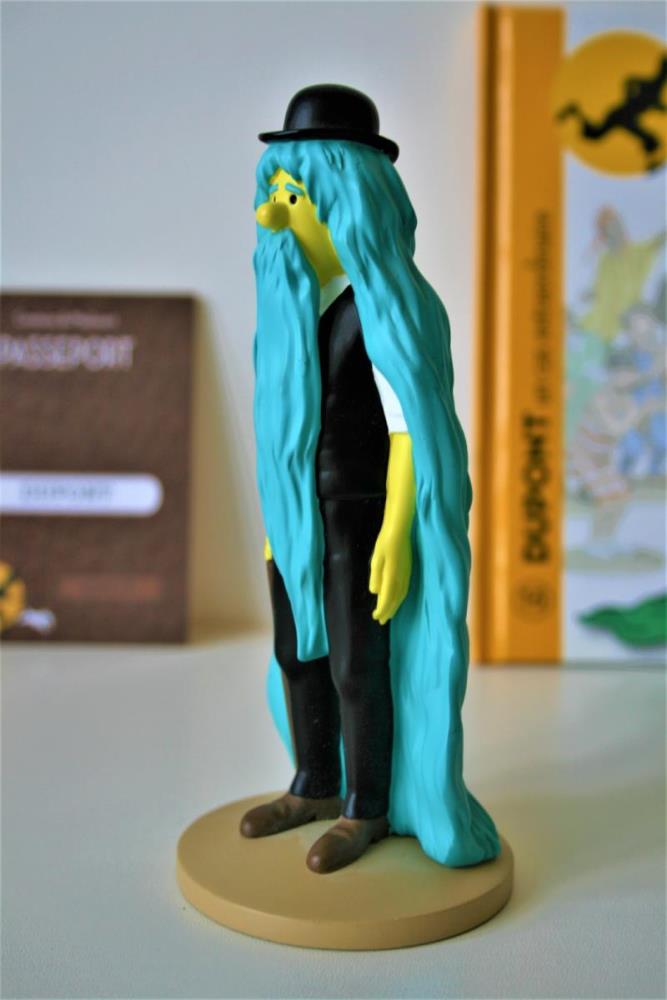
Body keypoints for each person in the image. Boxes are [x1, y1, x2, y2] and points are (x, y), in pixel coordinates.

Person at [242, 85, 499, 874]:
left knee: (358, 663)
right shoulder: (292, 311)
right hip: (298, 517)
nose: (270, 215)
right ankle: (313, 781)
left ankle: (367, 806)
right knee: (298, 651)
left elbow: (409, 429)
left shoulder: (385, 311)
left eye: (292, 197)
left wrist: (396, 533)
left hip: (360, 513)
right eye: (272, 194)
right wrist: (277, 524)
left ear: (346, 201)